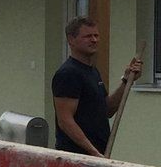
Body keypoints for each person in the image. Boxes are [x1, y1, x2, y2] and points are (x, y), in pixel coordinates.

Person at [51, 16, 142, 157]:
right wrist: (93, 152)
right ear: (71, 40)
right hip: (77, 158)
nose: (94, 40)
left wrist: (126, 81)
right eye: (88, 36)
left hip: (98, 156)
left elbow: (107, 110)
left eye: (96, 35)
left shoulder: (92, 71)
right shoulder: (68, 74)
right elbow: (65, 121)